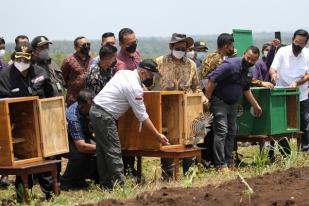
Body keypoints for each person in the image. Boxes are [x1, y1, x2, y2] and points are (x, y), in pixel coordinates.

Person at [89, 59, 169, 189]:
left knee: (103, 151)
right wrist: (157, 135)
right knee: (114, 151)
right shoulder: (134, 87)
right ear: (142, 73)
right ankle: (120, 188)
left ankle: (106, 185)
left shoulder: (124, 73)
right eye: (151, 75)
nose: (152, 78)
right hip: (104, 116)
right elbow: (142, 116)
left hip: (96, 110)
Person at [0, 43, 54, 201]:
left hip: (40, 122)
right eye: (19, 58)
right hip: (17, 125)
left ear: (32, 58)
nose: (22, 61)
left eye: (26, 58)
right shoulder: (3, 76)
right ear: (14, 57)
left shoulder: (40, 73)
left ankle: (50, 194)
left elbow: (50, 95)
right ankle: (23, 194)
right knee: (23, 159)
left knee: (46, 158)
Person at [152, 33, 207, 180]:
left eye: (184, 48)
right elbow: (150, 85)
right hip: (166, 110)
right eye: (178, 48)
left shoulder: (191, 65)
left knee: (189, 141)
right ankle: (168, 177)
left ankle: (189, 175)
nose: (181, 50)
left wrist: (202, 97)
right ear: (171, 47)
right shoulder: (159, 62)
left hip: (187, 110)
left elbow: (196, 87)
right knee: (168, 142)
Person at [206, 46, 262, 172]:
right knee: (221, 132)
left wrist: (255, 105)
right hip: (219, 102)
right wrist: (207, 99)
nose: (250, 61)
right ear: (244, 54)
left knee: (231, 132)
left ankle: (228, 161)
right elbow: (211, 79)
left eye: (253, 60)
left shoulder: (248, 72)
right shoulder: (230, 65)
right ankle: (220, 165)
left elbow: (246, 89)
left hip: (233, 105)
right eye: (248, 58)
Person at [269, 29, 309, 153]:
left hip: (300, 94)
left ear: (305, 44)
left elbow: (308, 74)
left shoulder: (307, 54)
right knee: (281, 124)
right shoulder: (282, 51)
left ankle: (305, 150)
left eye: (301, 43)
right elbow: (272, 68)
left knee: (305, 123)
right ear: (292, 40)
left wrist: (297, 82)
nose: (298, 45)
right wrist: (274, 75)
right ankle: (285, 152)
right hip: (282, 94)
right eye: (296, 42)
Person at [61, 89, 98, 190]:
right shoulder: (73, 117)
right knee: (79, 155)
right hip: (64, 140)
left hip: (80, 137)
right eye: (91, 105)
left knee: (95, 152)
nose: (94, 107)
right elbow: (81, 147)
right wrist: (102, 147)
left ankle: (79, 179)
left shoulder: (88, 107)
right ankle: (66, 181)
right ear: (82, 106)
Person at [116, 28, 142, 176]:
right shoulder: (118, 61)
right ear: (121, 44)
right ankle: (127, 170)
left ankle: (135, 169)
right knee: (125, 138)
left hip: (137, 102)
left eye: (135, 42)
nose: (133, 45)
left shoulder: (137, 55)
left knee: (136, 137)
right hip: (123, 105)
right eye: (130, 43)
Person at [61, 36, 92, 106]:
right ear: (76, 48)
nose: (86, 46)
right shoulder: (68, 61)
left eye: (88, 44)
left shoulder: (92, 60)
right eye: (84, 45)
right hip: (73, 100)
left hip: (88, 100)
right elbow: (62, 79)